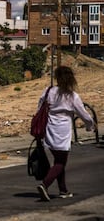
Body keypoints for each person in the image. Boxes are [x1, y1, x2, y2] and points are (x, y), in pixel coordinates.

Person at [36, 66, 96, 201]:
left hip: (50, 129)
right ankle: (45, 184)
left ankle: (63, 190)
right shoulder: (72, 96)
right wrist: (90, 126)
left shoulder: (49, 91)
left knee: (58, 160)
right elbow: (84, 114)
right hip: (63, 132)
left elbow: (39, 107)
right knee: (61, 162)